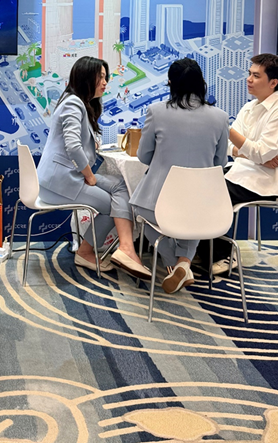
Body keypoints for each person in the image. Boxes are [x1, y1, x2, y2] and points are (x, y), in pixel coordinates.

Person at [37, 56, 151, 279]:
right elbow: (72, 146)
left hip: (66, 177)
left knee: (120, 186)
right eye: (101, 77)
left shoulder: (76, 102)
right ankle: (88, 252)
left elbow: (74, 142)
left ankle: (125, 249)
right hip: (60, 182)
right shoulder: (73, 103)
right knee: (111, 205)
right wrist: (89, 176)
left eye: (106, 77)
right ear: (86, 77)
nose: (105, 82)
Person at [131, 58, 229, 293]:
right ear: (201, 82)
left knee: (137, 211)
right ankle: (184, 263)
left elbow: (143, 156)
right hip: (204, 204)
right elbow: (220, 163)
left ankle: (174, 264)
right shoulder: (221, 117)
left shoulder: (156, 112)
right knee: (193, 218)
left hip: (158, 202)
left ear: (171, 83)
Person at [198, 53, 278, 274]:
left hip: (265, 181)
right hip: (242, 171)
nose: (249, 79)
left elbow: (260, 151)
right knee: (198, 183)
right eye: (249, 74)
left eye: (256, 76)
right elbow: (231, 147)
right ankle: (201, 249)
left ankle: (223, 254)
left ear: (273, 83)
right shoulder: (249, 108)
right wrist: (250, 154)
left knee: (212, 192)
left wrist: (225, 128)